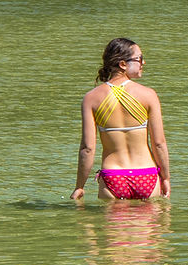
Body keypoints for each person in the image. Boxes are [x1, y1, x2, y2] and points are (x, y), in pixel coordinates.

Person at [72, 38, 171, 201]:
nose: (143, 62)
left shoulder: (91, 98)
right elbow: (159, 143)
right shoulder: (148, 95)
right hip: (146, 175)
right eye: (139, 58)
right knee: (147, 226)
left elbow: (87, 149)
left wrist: (79, 187)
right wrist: (166, 178)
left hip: (113, 177)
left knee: (115, 226)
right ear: (123, 64)